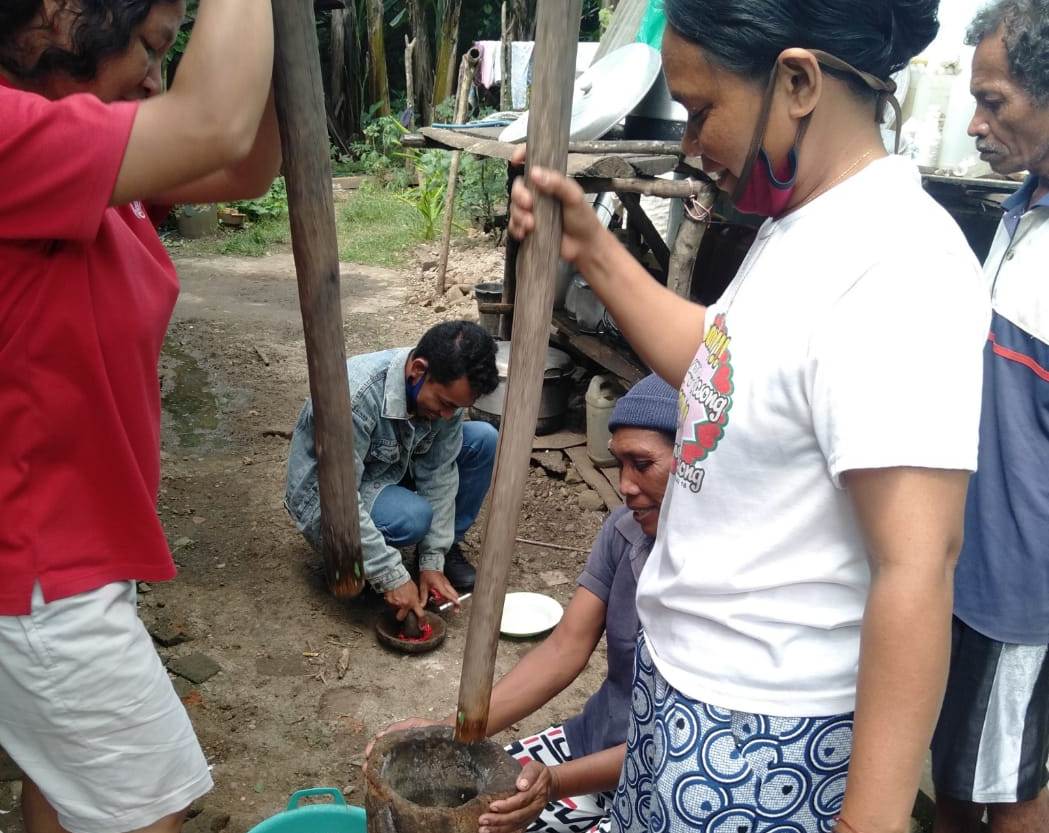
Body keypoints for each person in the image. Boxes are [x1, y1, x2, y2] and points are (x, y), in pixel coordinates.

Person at [509, 1, 991, 832]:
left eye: (701, 110)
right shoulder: (801, 225)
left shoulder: (899, 265)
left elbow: (916, 565)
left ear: (796, 82)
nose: (691, 145)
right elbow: (720, 366)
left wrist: (867, 823)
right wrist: (589, 244)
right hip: (682, 694)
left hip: (765, 738)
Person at [0, 2, 280, 833]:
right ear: (58, 15)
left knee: (65, 785)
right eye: (154, 48)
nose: (158, 80)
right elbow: (210, 123)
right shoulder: (11, 138)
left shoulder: (72, 147)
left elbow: (243, 164)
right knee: (147, 813)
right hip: (37, 570)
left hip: (64, 551)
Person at [375, 374, 679, 833]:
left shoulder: (731, 584)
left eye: (643, 464)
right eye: (620, 464)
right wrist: (450, 731)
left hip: (664, 788)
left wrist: (552, 784)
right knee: (468, 808)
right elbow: (563, 650)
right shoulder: (624, 531)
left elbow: (669, 745)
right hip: (593, 744)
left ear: (696, 464)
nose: (625, 486)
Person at [930, 4, 1049, 832]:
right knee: (961, 767)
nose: (975, 124)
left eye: (993, 101)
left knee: (1005, 787)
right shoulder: (1022, 207)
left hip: (1020, 590)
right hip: (969, 563)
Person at [285, 321, 500, 621]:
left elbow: (439, 474)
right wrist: (390, 575)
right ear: (418, 370)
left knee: (483, 440)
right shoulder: (354, 396)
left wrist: (432, 560)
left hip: (391, 467)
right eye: (445, 403)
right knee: (413, 517)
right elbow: (337, 500)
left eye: (457, 407)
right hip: (326, 497)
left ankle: (442, 551)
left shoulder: (443, 392)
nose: (448, 416)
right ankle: (353, 559)